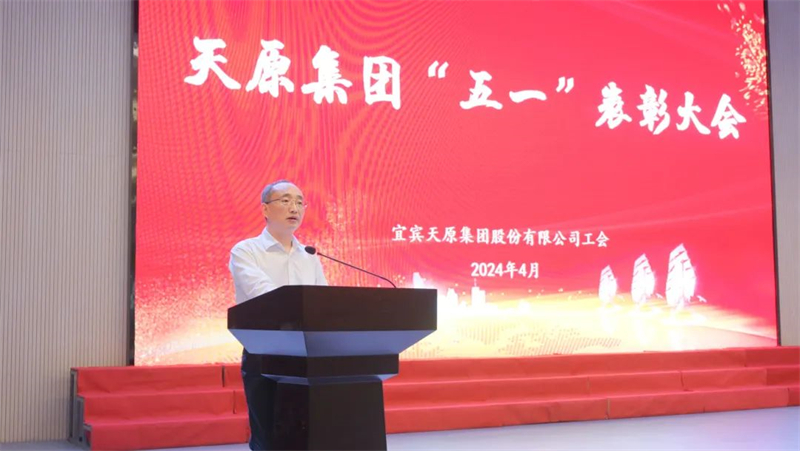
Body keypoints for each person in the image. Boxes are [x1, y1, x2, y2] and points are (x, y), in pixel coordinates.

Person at [229, 180, 328, 450]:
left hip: (306, 356)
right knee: (269, 437)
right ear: (265, 209)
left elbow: (323, 301)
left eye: (299, 202)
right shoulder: (245, 251)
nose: (294, 207)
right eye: (285, 200)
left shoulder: (309, 256)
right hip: (265, 353)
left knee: (303, 436)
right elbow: (263, 294)